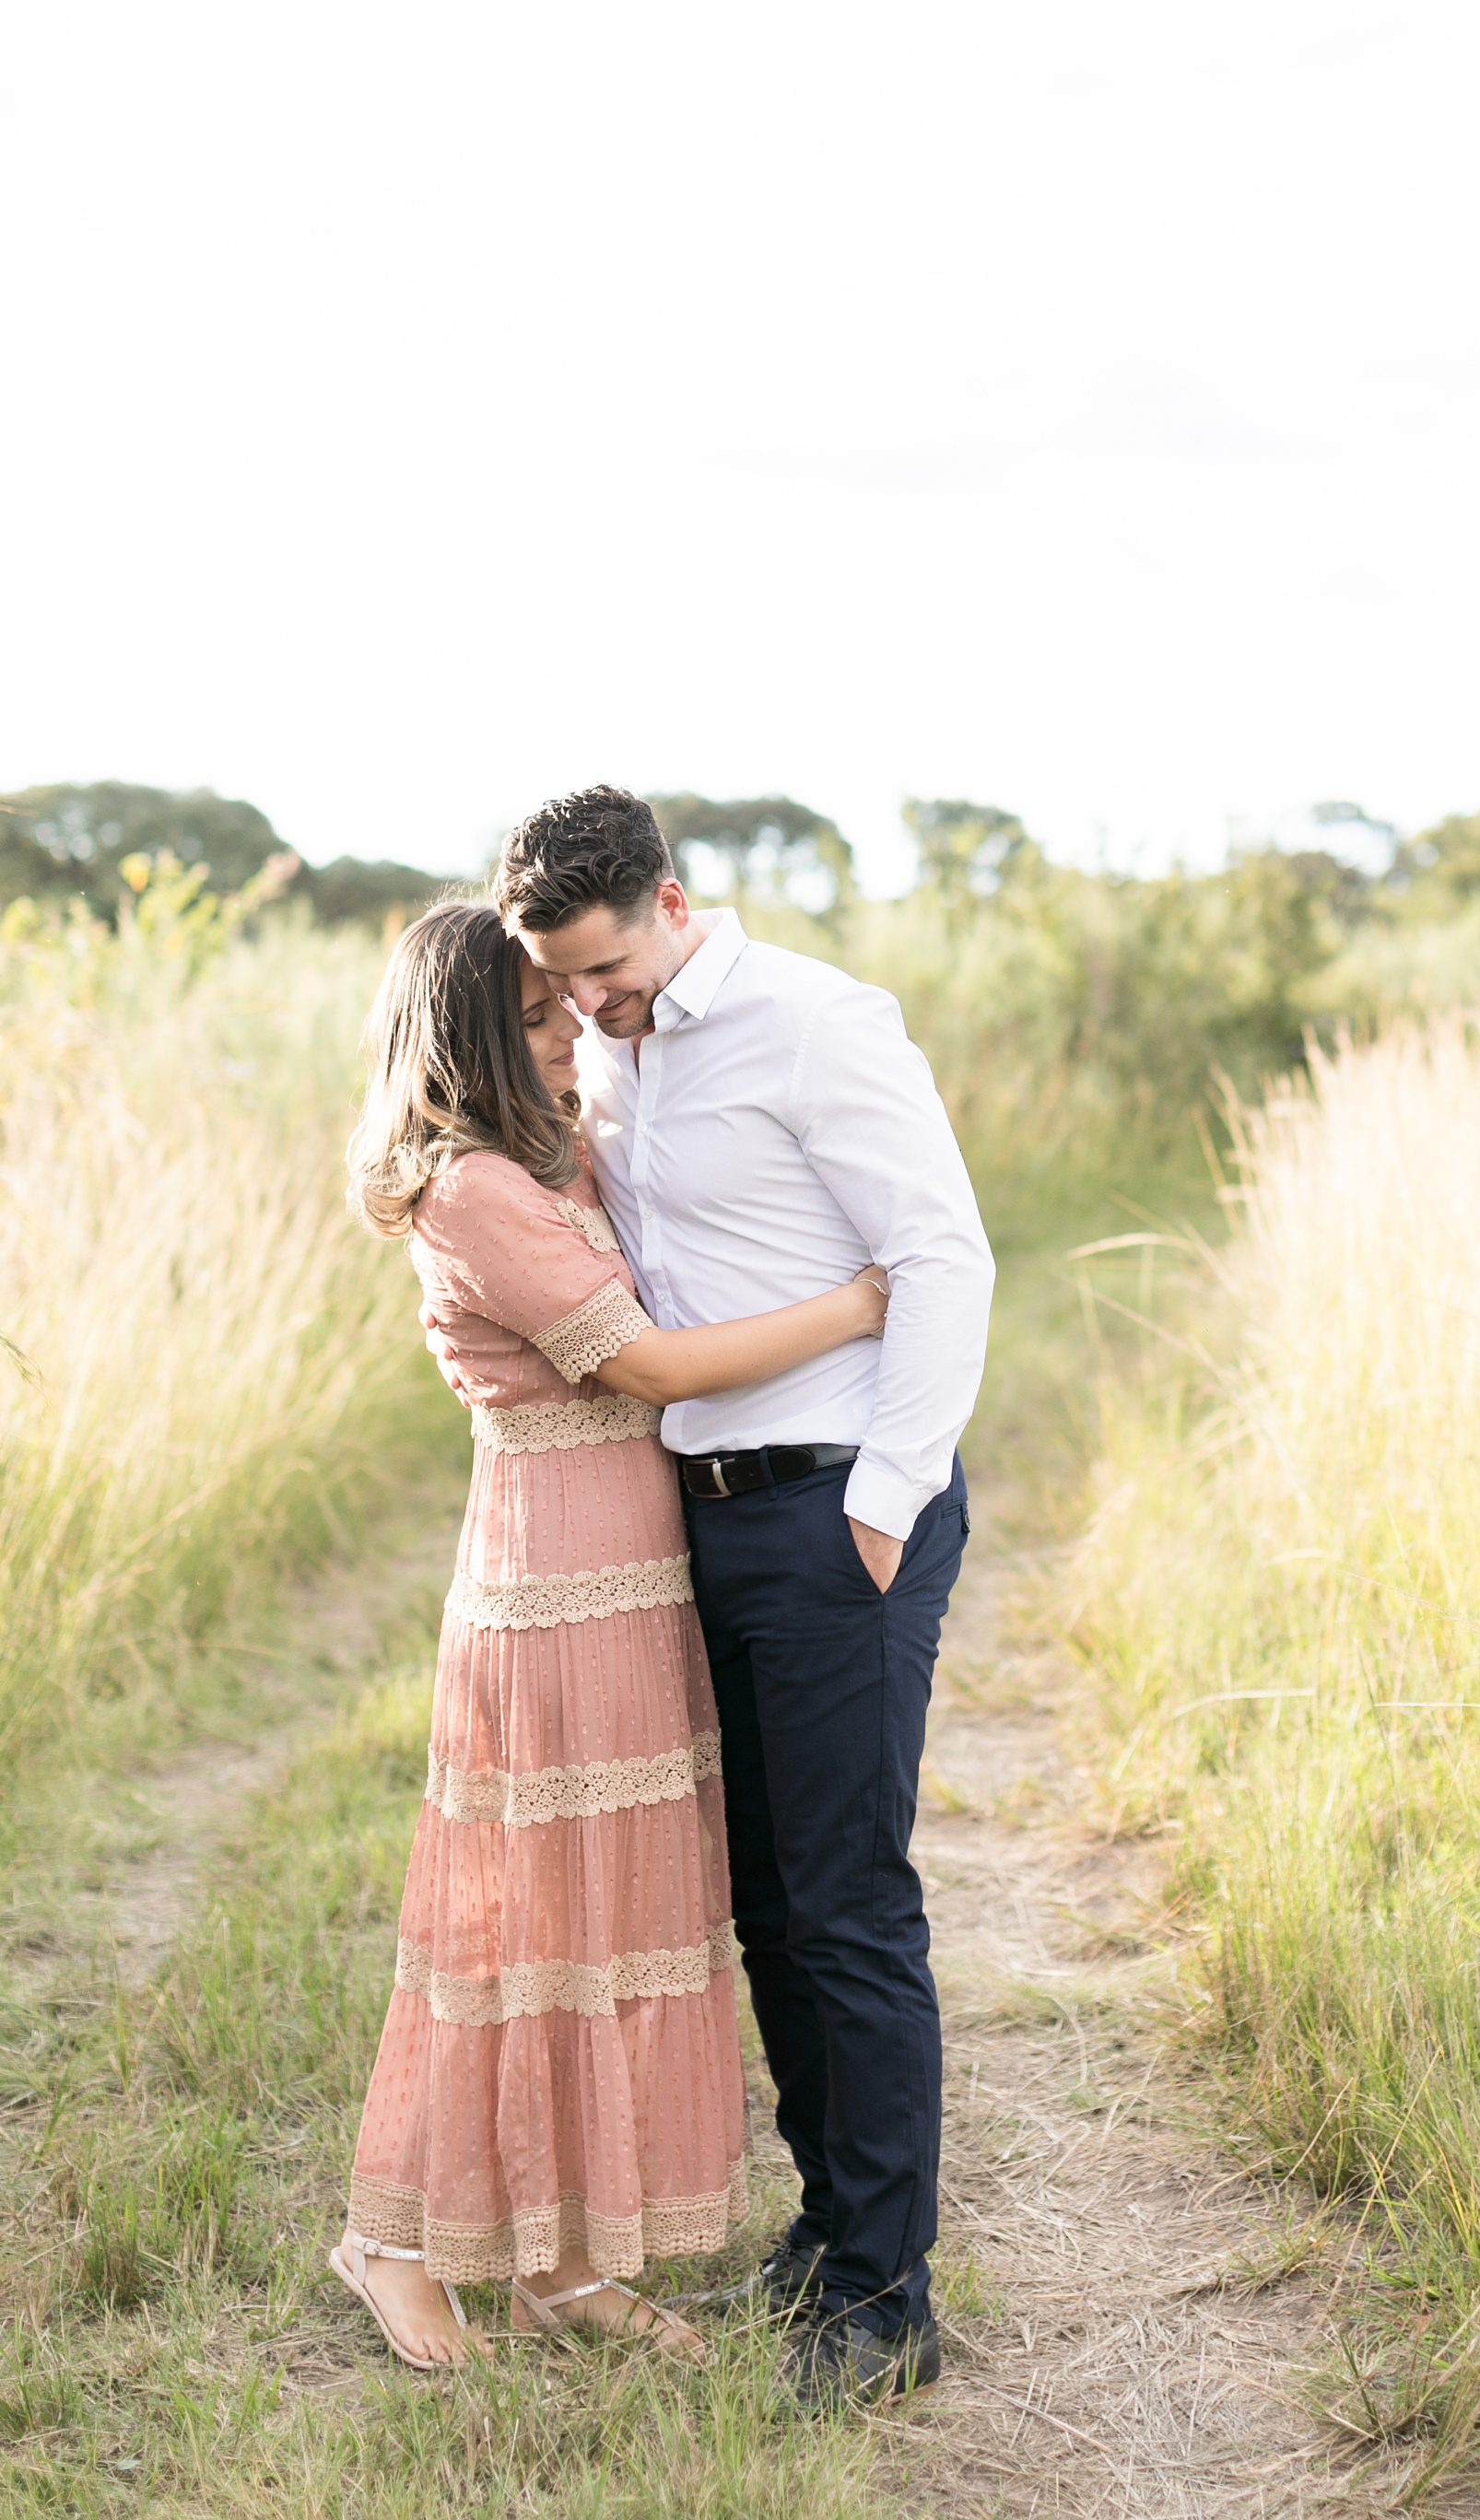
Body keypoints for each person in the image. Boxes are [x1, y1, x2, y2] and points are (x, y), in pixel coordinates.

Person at [329, 900, 891, 2371]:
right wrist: (854, 1306)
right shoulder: (467, 1189)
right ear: (463, 1043)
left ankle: (562, 2266)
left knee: (607, 1926)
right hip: (551, 1581)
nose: (566, 1031)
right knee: (519, 1925)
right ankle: (392, 2242)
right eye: (531, 1019)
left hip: (639, 1573)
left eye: (561, 1006)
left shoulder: (552, 1152)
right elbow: (645, 1364)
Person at [489, 787, 994, 2407]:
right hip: (704, 1519)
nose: (591, 1004)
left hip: (838, 1511)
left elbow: (944, 1258)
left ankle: (888, 2303)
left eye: (608, 968)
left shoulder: (817, 1024)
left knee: (847, 1904)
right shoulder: (611, 1054)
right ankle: (832, 2230)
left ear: (673, 901)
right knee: (766, 1903)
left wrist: (886, 1503)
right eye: (564, 981)